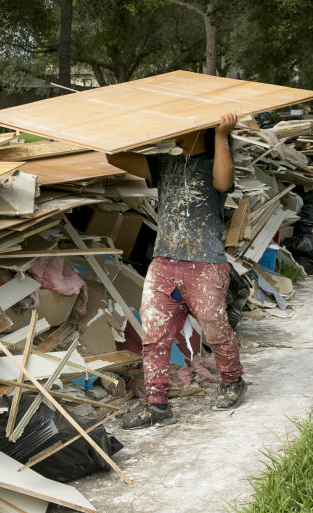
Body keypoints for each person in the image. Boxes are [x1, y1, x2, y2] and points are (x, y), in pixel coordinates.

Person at [106, 113, 246, 429]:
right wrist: (132, 127)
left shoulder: (216, 160)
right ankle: (157, 405)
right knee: (154, 336)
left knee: (215, 328)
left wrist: (222, 135)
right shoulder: (164, 164)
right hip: (164, 262)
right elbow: (114, 156)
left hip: (206, 263)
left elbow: (223, 183)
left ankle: (233, 380)